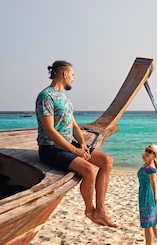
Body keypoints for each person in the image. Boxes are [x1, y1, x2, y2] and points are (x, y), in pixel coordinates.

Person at [35, 60, 117, 228]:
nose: (72, 79)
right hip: (50, 147)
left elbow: (73, 125)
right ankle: (89, 210)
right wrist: (74, 150)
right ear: (64, 74)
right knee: (88, 170)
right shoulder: (46, 97)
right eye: (72, 75)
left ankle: (101, 210)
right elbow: (49, 130)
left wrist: (82, 144)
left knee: (106, 161)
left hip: (69, 144)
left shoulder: (64, 99)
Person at [138, 144, 157, 245]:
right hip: (144, 193)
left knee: (148, 223)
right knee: (152, 223)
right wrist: (145, 157)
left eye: (150, 152)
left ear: (154, 155)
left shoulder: (151, 168)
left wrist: (154, 196)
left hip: (149, 195)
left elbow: (154, 183)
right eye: (147, 150)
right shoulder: (147, 164)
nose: (147, 152)